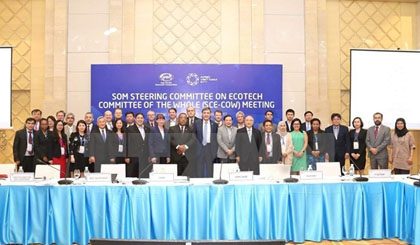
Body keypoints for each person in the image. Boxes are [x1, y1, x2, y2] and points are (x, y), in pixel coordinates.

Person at [193, 107, 218, 177]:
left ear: (210, 114)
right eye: (204, 113)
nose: (206, 114)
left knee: (210, 168)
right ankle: (199, 184)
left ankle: (210, 183)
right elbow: (193, 136)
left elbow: (216, 139)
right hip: (199, 148)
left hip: (210, 148)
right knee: (199, 167)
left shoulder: (214, 124)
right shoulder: (196, 123)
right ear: (202, 114)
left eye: (208, 113)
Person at [126, 113, 150, 177]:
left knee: (143, 175)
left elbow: (148, 143)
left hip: (145, 156)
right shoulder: (129, 129)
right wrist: (127, 156)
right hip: (133, 156)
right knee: (133, 175)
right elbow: (126, 143)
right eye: (138, 118)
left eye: (141, 118)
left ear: (143, 119)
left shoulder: (147, 129)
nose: (140, 119)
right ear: (135, 119)